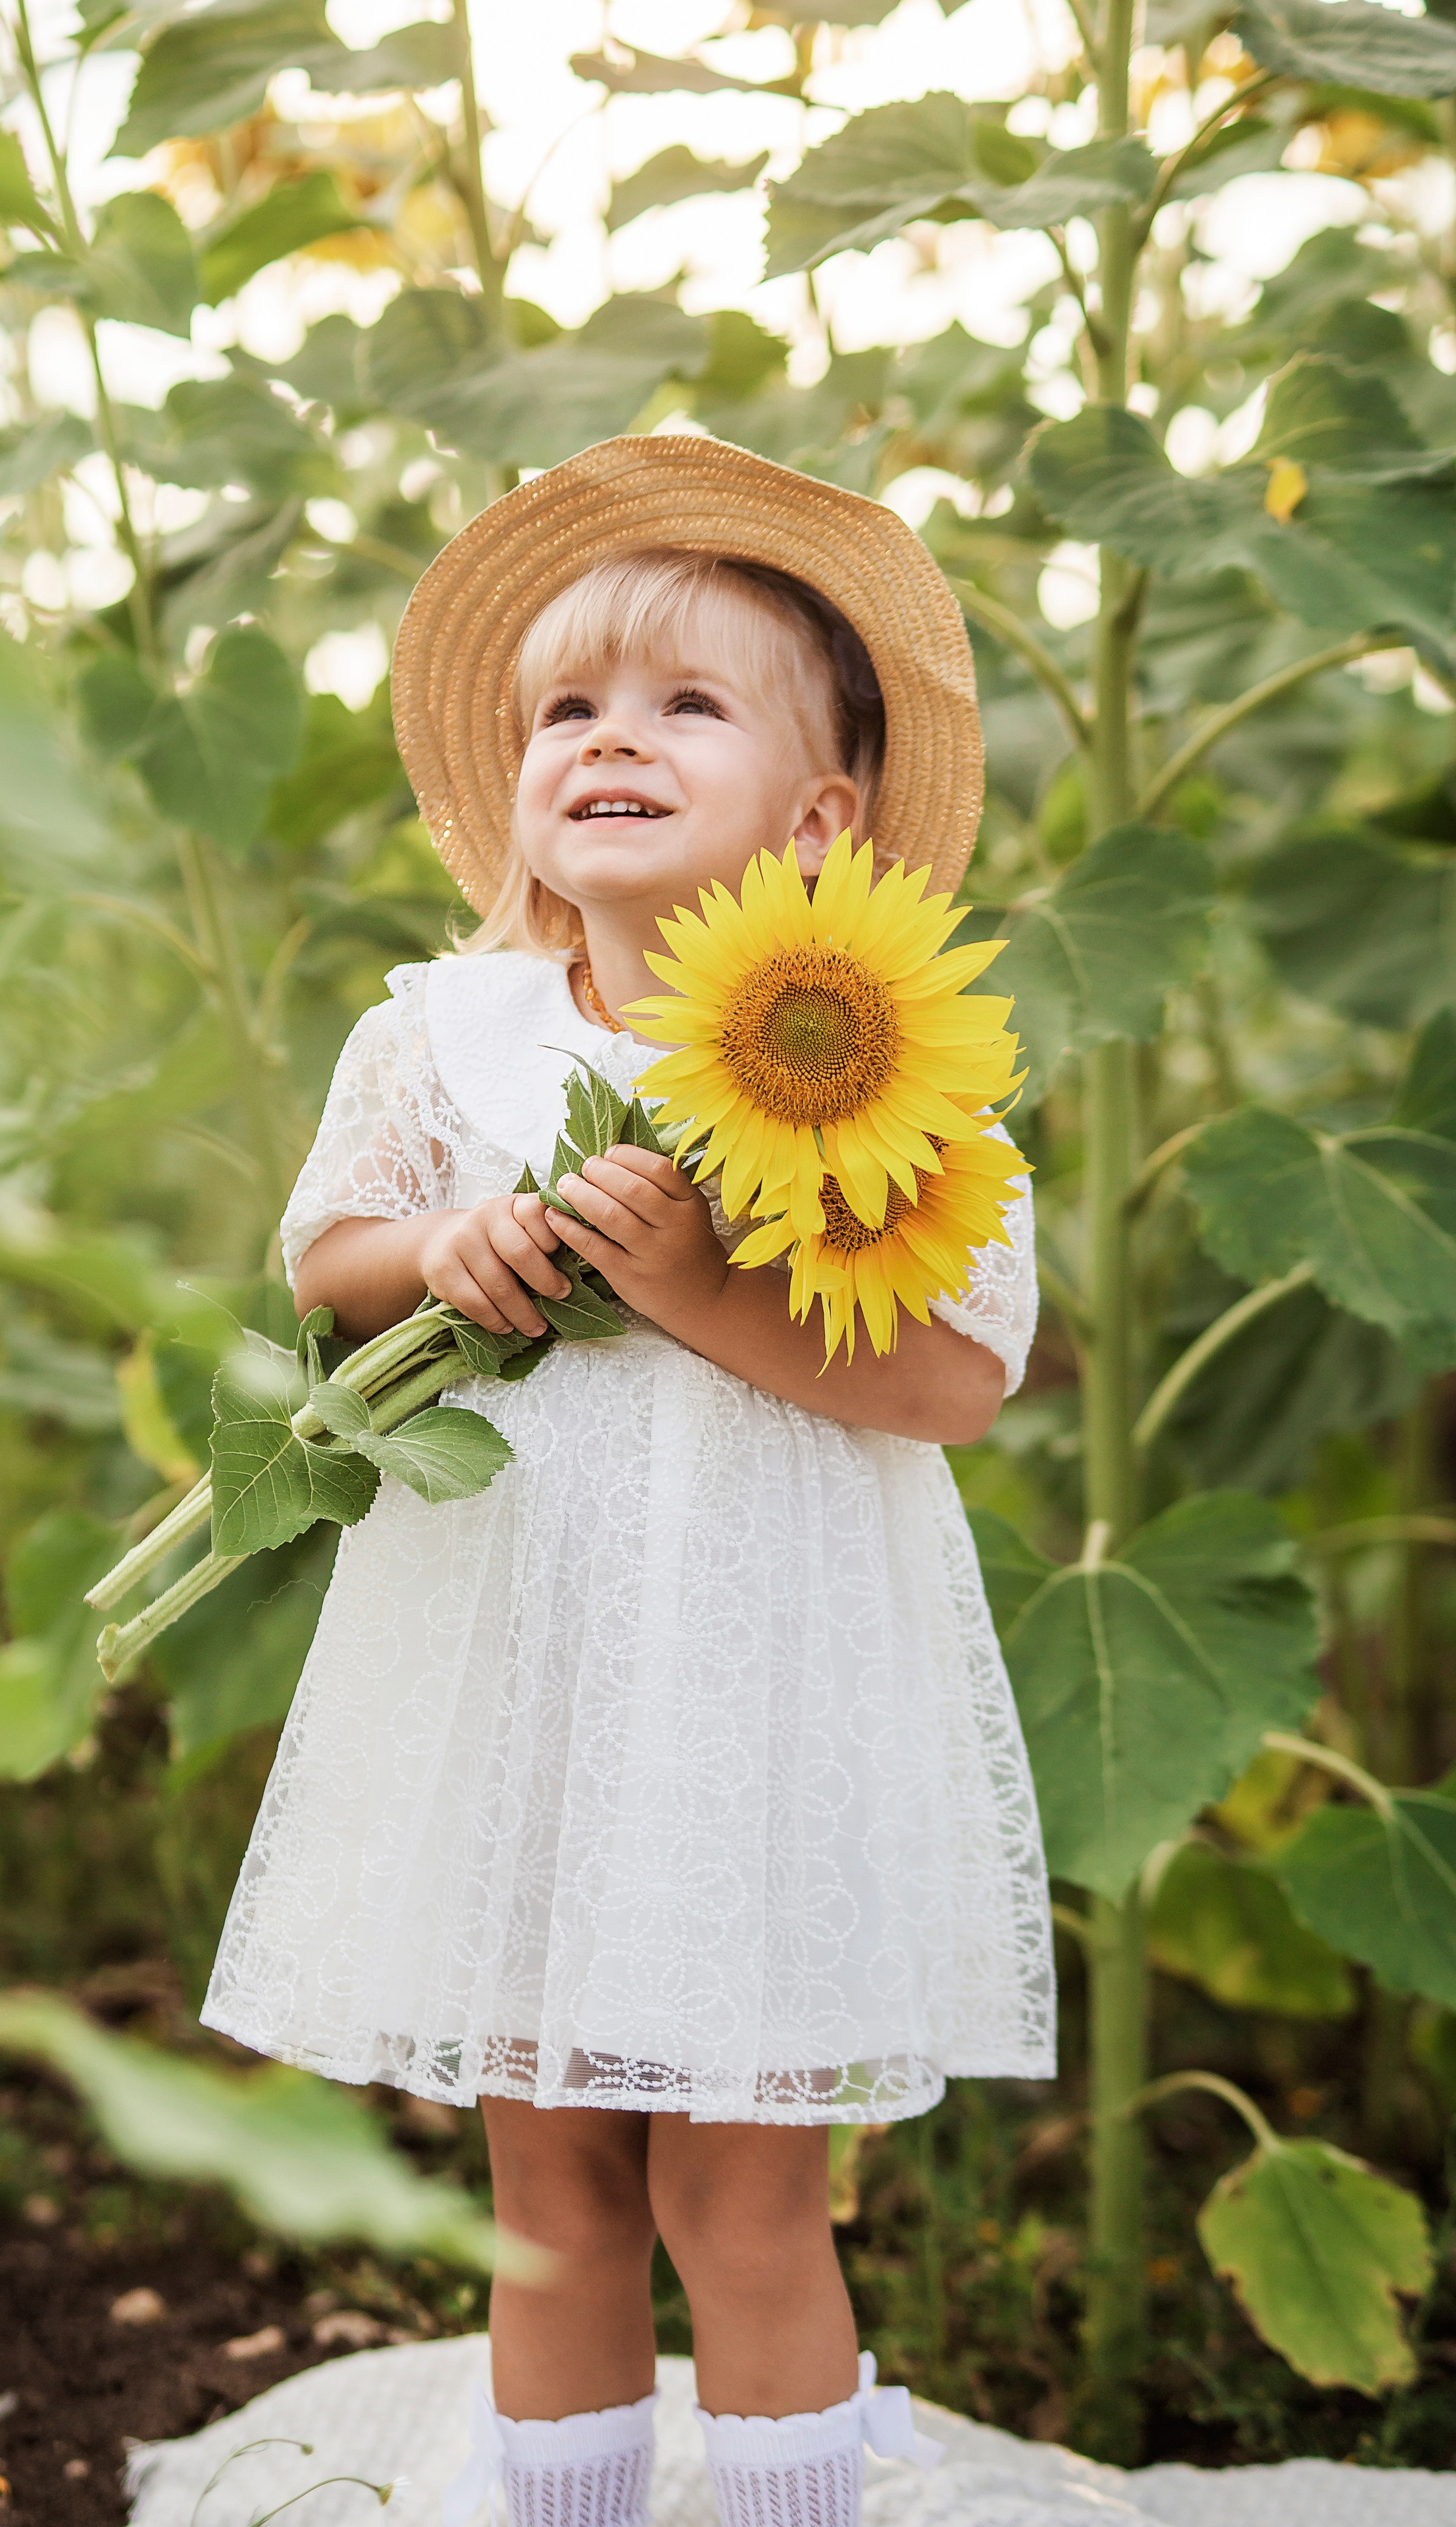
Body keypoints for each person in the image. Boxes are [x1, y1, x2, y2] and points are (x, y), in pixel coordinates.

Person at [203, 437, 1055, 2527]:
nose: (612, 740)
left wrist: (695, 1289)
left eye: (687, 705)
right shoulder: (442, 1036)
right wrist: (444, 1253)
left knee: (745, 2199)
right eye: (568, 710)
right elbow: (326, 1261)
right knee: (549, 2186)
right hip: (524, 1676)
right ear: (516, 791)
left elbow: (954, 1380)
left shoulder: (895, 1060)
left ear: (824, 812)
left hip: (758, 1692)